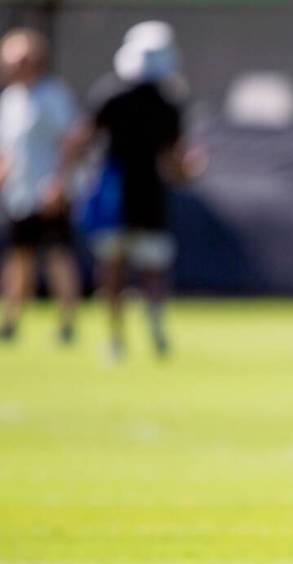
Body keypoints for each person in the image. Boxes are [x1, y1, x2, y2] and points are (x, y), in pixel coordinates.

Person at [52, 21, 194, 360]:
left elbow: (80, 141)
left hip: (128, 192)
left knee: (126, 266)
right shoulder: (139, 98)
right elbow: (176, 162)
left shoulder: (159, 100)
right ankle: (134, 332)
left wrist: (65, 176)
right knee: (134, 267)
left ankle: (128, 335)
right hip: (124, 192)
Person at [0, 28, 79, 344]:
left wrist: (59, 181)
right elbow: (8, 148)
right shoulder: (10, 99)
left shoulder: (53, 95)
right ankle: (11, 321)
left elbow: (70, 142)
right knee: (19, 257)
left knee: (57, 256)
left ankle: (67, 324)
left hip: (48, 191)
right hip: (19, 192)